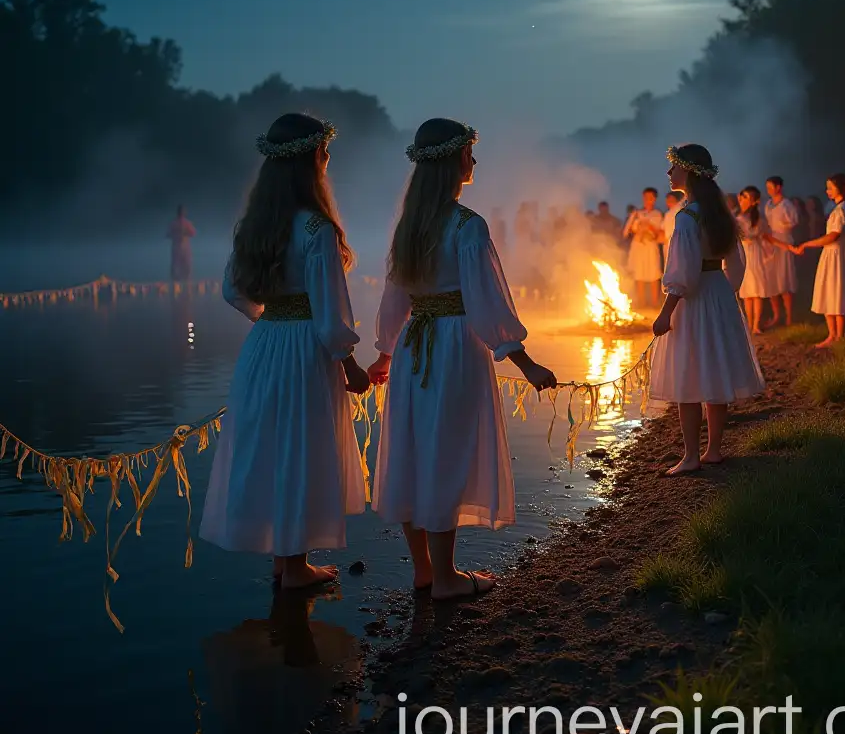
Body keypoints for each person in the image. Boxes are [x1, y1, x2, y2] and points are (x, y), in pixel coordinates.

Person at [368, 119, 557, 600]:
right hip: (453, 348)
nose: (475, 162)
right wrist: (524, 361)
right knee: (445, 451)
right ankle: (447, 577)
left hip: (414, 347)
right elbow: (486, 302)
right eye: (471, 153)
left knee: (416, 449)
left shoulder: (408, 228)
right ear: (455, 160)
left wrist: (387, 351)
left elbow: (394, 300)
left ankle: (424, 571)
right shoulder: (467, 226)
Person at [199, 114, 370, 589]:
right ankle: (295, 569)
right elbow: (332, 312)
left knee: (275, 447)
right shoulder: (317, 230)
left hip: (265, 345)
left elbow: (233, 291)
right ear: (311, 159)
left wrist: (271, 320)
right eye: (324, 151)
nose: (328, 159)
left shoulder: (255, 225)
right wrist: (349, 363)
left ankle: (284, 561)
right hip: (304, 349)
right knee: (303, 447)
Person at [651, 144, 764, 475]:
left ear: (688, 171)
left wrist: (666, 311)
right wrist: (726, 292)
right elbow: (737, 263)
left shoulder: (686, 217)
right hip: (719, 292)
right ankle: (712, 450)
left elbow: (683, 272)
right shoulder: (720, 213)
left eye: (673, 167)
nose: (669, 173)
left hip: (695, 298)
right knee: (714, 369)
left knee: (688, 375)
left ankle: (690, 456)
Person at [794, 175, 845, 348]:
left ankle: (837, 335)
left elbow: (833, 235)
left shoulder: (844, 209)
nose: (827, 191)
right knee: (831, 291)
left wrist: (807, 243)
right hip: (834, 254)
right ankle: (834, 334)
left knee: (836, 291)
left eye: (830, 187)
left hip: (836, 254)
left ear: (840, 189)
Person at [736, 186, 776, 334]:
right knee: (747, 292)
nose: (741, 200)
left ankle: (756, 325)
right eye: (741, 197)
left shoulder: (758, 219)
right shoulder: (737, 218)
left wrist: (787, 246)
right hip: (744, 253)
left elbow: (766, 236)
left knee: (757, 290)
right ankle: (749, 323)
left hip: (755, 253)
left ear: (753, 201)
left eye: (745, 197)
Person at [763, 176, 800, 328]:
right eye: (767, 187)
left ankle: (789, 317)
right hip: (770, 242)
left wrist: (781, 230)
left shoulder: (787, 205)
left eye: (771, 187)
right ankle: (776, 315)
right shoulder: (768, 204)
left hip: (783, 241)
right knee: (771, 279)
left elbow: (794, 222)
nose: (769, 190)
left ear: (779, 187)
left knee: (784, 278)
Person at [623, 188, 664, 308]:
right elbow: (627, 232)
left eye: (650, 197)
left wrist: (648, 225)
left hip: (651, 246)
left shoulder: (657, 214)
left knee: (654, 274)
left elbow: (660, 232)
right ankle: (641, 303)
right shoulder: (637, 213)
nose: (647, 200)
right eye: (645, 197)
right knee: (639, 274)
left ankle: (655, 303)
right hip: (638, 246)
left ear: (654, 199)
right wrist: (634, 219)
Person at [167, 204, 196, 282]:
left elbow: (193, 233)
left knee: (183, 266)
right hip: (179, 248)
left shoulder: (185, 223)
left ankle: (181, 282)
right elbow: (168, 234)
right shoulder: (176, 223)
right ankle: (177, 283)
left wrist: (184, 232)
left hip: (182, 248)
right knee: (178, 266)